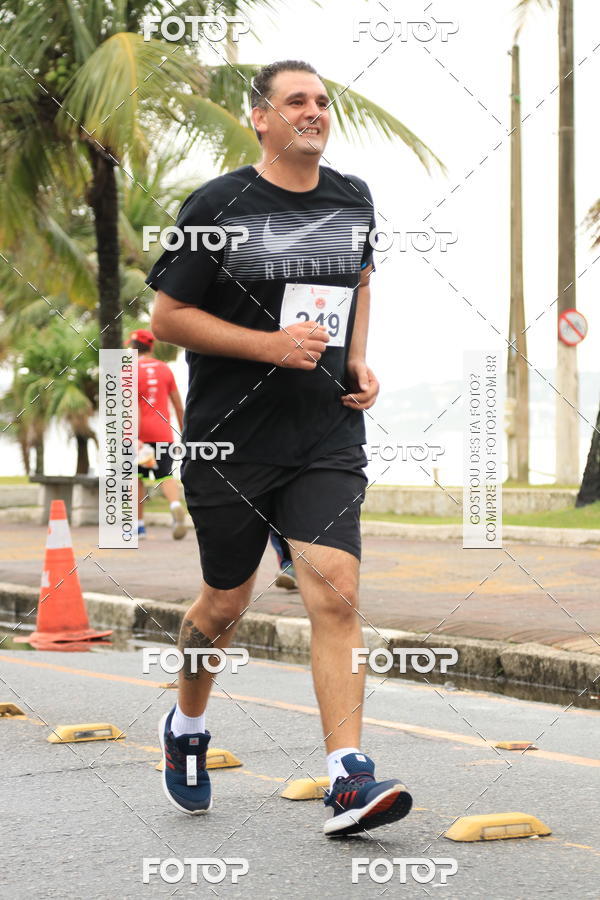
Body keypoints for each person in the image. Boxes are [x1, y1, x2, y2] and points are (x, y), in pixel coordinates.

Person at [147, 60, 412, 836]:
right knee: (224, 604)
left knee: (334, 591)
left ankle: (348, 778)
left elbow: (360, 279)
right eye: (297, 101)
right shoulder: (218, 204)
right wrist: (268, 346)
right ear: (259, 118)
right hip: (231, 438)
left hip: (325, 431)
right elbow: (168, 317)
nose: (314, 112)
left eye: (323, 102)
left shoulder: (352, 196)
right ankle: (187, 725)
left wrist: (357, 358)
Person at [128, 329, 187, 541]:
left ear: (133, 348)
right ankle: (174, 505)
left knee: (137, 478)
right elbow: (178, 405)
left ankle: (139, 527)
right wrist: (184, 432)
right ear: (151, 347)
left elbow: (129, 406)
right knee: (166, 475)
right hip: (164, 433)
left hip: (140, 434)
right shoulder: (165, 369)